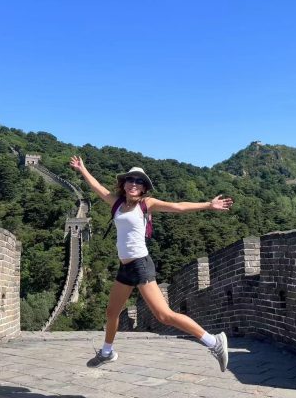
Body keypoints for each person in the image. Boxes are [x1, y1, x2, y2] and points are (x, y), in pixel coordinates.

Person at [70, 156, 234, 372]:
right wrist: (82, 169)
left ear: (144, 187)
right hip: (125, 268)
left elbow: (178, 207)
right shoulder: (116, 203)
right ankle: (107, 352)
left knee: (164, 315)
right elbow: (97, 187)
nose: (134, 184)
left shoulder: (146, 204)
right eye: (130, 180)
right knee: (112, 312)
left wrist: (208, 205)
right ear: (124, 184)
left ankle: (214, 342)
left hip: (141, 265)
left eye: (139, 181)